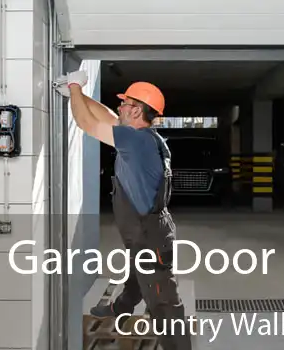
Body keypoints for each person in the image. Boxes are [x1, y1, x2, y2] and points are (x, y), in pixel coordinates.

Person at [55, 71, 192, 350]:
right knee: (136, 272)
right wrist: (77, 95)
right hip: (146, 230)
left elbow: (85, 122)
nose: (120, 107)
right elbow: (105, 115)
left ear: (137, 110)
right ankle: (122, 308)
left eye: (125, 103)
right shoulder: (142, 137)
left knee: (164, 303)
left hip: (149, 235)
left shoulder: (135, 140)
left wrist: (75, 86)